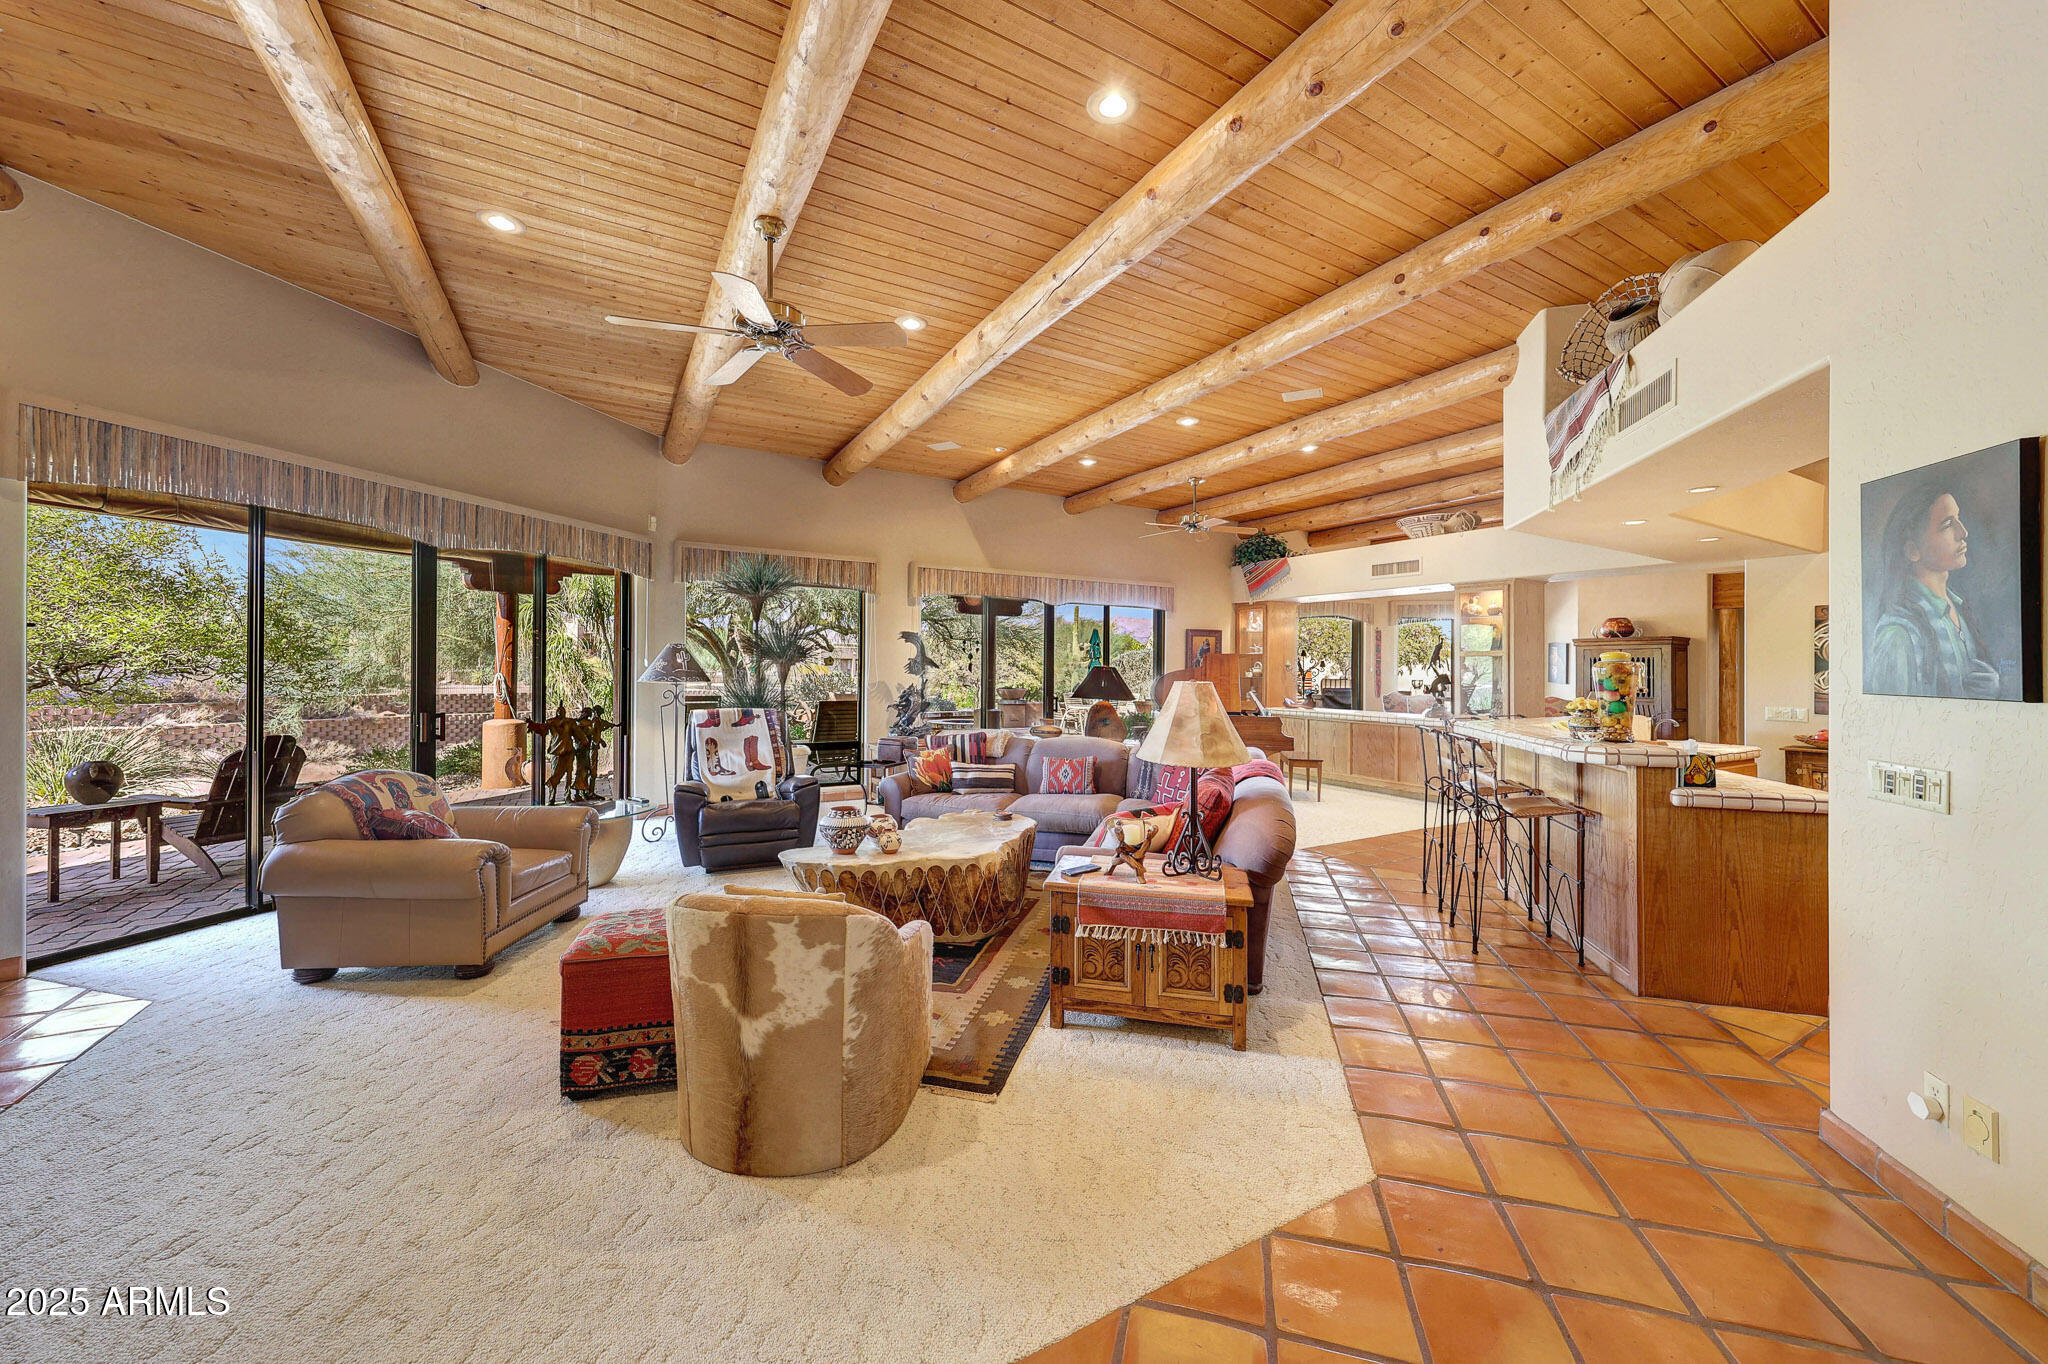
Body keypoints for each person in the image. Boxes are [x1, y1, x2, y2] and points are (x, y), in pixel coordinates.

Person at [1867, 482, 2005, 698]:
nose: (1963, 532)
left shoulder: (1959, 609)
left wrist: (1990, 689)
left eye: (1958, 519)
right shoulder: (1899, 635)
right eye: (1947, 524)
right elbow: (1893, 719)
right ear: (1913, 550)